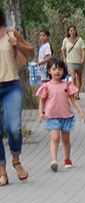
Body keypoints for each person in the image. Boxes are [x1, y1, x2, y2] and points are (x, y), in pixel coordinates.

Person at [36, 58, 85, 171]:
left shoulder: (67, 85)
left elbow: (73, 100)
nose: (57, 71)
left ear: (64, 71)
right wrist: (41, 113)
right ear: (49, 71)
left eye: (59, 69)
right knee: (55, 138)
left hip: (66, 116)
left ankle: (67, 158)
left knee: (65, 139)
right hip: (52, 116)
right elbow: (42, 101)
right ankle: (54, 160)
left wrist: (81, 111)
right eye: (54, 69)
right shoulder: (46, 86)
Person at [0, 11, 33, 186]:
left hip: (11, 86)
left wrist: (17, 45)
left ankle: (16, 160)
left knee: (13, 127)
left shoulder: (11, 33)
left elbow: (31, 51)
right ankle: (2, 172)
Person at [59, 26, 85, 93]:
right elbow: (63, 49)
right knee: (73, 77)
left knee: (79, 79)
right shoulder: (65, 40)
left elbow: (83, 49)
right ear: (68, 32)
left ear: (76, 31)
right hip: (70, 61)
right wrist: (64, 58)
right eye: (71, 30)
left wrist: (83, 58)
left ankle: (77, 93)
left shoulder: (80, 40)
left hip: (79, 61)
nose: (72, 32)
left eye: (73, 30)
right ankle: (73, 92)